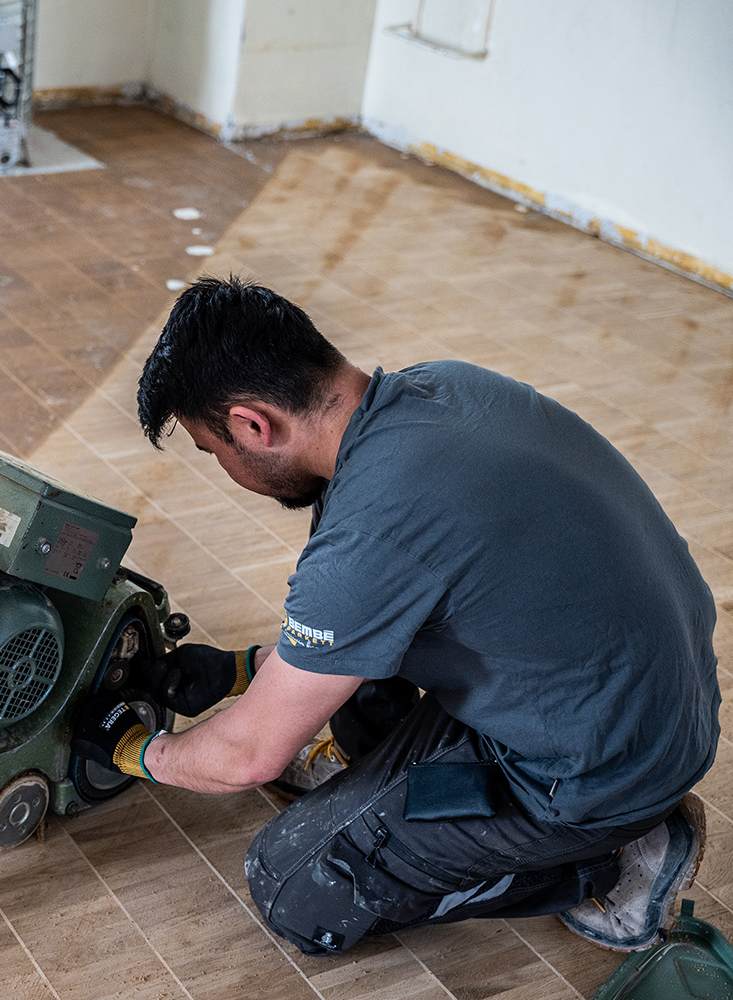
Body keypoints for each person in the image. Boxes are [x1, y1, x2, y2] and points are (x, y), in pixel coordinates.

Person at [73, 276, 719, 955]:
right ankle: (381, 784)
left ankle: (616, 857)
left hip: (595, 768)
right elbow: (381, 610)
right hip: (645, 694)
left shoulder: (374, 529)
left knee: (292, 884)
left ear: (251, 424)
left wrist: (137, 751)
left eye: (215, 450)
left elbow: (246, 758)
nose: (224, 466)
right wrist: (240, 671)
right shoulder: (442, 388)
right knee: (361, 652)